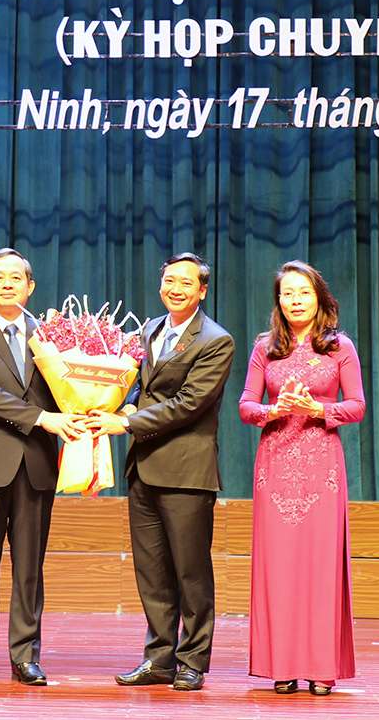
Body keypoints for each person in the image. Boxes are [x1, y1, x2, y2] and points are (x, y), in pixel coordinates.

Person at [88, 252, 235, 692]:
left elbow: (189, 403)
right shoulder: (150, 329)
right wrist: (122, 405)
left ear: (202, 291)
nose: (176, 289)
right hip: (143, 469)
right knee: (151, 572)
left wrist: (126, 423)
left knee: (191, 572)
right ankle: (159, 659)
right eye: (170, 280)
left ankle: (193, 661)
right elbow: (140, 385)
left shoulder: (215, 340)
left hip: (186, 472)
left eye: (186, 283)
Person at [0, 248, 86, 687]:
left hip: (36, 464)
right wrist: (43, 419)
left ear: (30, 287)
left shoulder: (53, 337)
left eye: (16, 278)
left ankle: (26, 656)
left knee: (29, 568)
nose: (7, 284)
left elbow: (73, 389)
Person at [237, 260, 366, 696]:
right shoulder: (265, 348)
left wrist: (319, 410)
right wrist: (272, 410)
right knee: (279, 569)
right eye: (287, 293)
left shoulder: (339, 347)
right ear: (278, 301)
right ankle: (282, 665)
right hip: (274, 467)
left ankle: (321, 666)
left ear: (319, 298)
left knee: (319, 567)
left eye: (303, 292)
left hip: (321, 467)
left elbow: (357, 405)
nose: (295, 300)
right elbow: (246, 405)